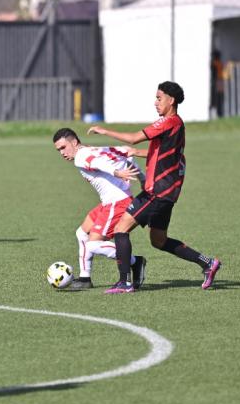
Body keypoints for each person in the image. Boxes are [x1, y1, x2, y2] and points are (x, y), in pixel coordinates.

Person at [88, 81, 221, 294]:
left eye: (159, 98)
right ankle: (208, 263)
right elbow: (162, 155)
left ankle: (125, 282)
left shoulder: (168, 122)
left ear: (171, 100)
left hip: (156, 192)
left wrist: (103, 130)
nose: (155, 102)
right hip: (166, 193)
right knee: (158, 240)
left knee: (120, 229)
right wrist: (134, 152)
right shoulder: (177, 125)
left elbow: (134, 137)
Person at [52, 128, 146, 290]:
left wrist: (117, 172)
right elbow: (124, 152)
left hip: (117, 203)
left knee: (92, 245)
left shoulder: (80, 157)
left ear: (74, 142)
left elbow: (100, 163)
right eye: (58, 150)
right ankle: (85, 278)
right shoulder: (92, 149)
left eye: (63, 147)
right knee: (81, 233)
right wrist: (142, 179)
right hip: (109, 202)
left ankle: (135, 262)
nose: (62, 153)